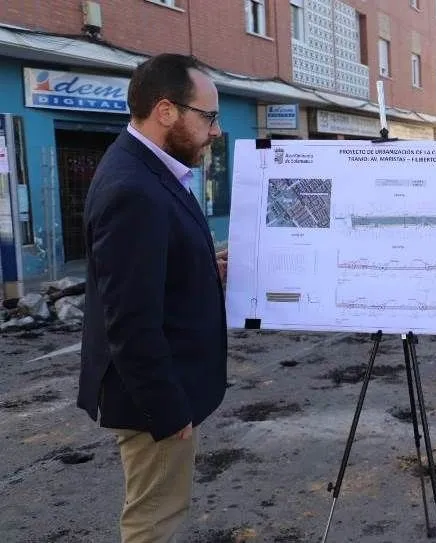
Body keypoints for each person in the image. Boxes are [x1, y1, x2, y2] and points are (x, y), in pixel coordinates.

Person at [77, 53, 228, 543]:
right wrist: (167, 410)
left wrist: (207, 268)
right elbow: (130, 320)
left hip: (159, 392)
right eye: (208, 117)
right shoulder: (134, 188)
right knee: (154, 523)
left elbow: (152, 272)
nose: (216, 131)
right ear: (166, 111)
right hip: (152, 403)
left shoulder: (151, 170)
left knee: (160, 512)